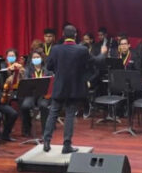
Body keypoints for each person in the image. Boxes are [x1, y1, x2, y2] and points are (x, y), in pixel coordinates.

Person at [43, 25, 107, 153]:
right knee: (70, 115)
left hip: (59, 86)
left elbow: (49, 67)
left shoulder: (55, 49)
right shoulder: (82, 50)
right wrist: (103, 52)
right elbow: (96, 62)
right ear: (75, 35)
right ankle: (67, 145)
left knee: (53, 113)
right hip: (74, 88)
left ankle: (46, 142)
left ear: (62, 34)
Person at [21, 51, 53, 138]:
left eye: (37, 57)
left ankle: (45, 131)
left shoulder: (47, 70)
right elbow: (25, 82)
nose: (36, 59)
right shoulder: (28, 70)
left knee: (43, 106)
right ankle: (27, 129)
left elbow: (51, 83)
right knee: (25, 106)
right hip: (31, 94)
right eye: (34, 58)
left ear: (42, 58)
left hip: (44, 95)